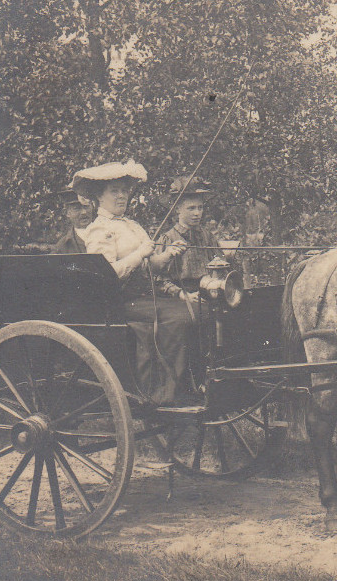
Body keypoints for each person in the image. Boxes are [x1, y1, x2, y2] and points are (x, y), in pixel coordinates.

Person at [73, 160, 193, 406]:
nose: (121, 196)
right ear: (99, 196)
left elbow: (151, 267)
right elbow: (105, 276)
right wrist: (139, 254)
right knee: (179, 317)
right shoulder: (99, 230)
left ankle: (191, 381)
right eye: (114, 191)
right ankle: (164, 392)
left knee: (196, 310)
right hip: (121, 303)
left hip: (145, 298)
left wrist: (169, 253)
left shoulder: (133, 226)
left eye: (124, 190)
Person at [156, 176, 223, 297]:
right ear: (178, 209)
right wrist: (181, 294)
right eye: (191, 208)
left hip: (209, 293)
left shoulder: (207, 236)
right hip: (180, 300)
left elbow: (222, 266)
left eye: (200, 207)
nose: (197, 213)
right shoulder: (168, 239)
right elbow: (159, 280)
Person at [52, 189, 94, 254]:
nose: (84, 212)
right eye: (77, 208)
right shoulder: (63, 246)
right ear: (66, 213)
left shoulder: (108, 233)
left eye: (86, 206)